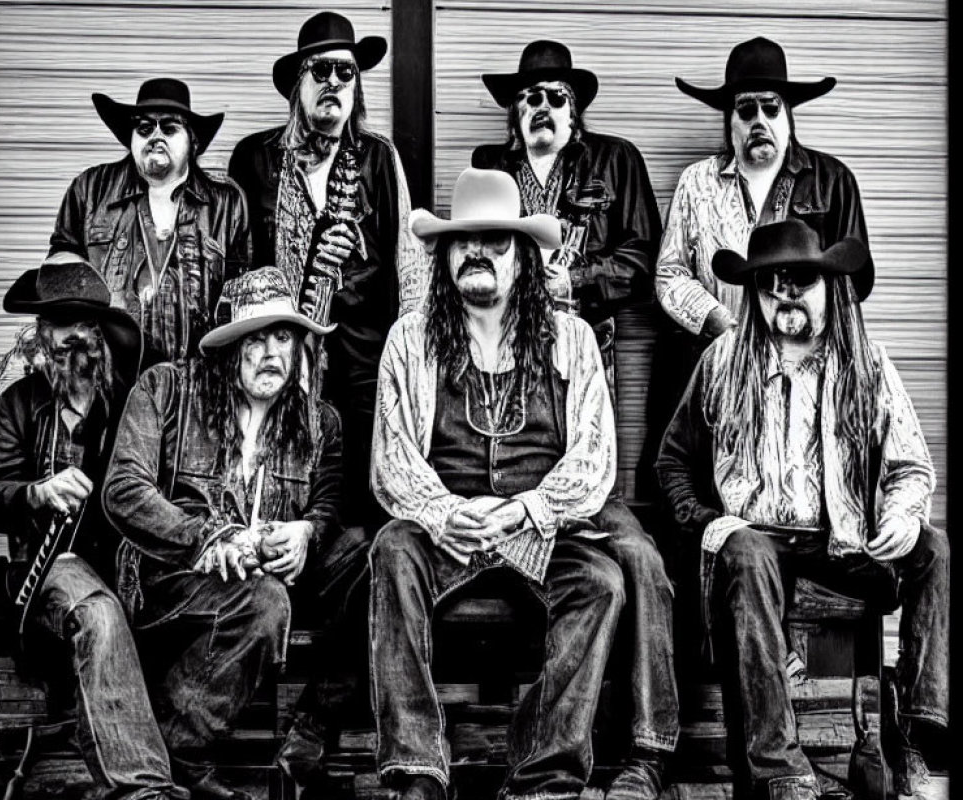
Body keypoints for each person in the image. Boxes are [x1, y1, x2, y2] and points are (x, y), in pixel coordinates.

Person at [368, 168, 678, 800]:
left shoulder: (573, 339)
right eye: (464, 241)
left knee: (601, 581)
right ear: (445, 254)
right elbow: (391, 457)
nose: (477, 251)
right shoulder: (410, 339)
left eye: (497, 240)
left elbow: (594, 459)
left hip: (540, 528)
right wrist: (442, 511)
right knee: (391, 551)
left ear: (526, 263)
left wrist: (527, 510)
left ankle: (544, 773)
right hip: (446, 533)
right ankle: (418, 769)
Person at [655, 219, 947, 800]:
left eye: (800, 280)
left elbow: (910, 468)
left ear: (829, 285)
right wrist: (709, 524)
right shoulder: (721, 361)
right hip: (754, 541)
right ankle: (779, 768)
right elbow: (672, 463)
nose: (783, 293)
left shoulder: (867, 363)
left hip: (840, 540)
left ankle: (918, 729)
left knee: (934, 548)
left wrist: (899, 513)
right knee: (748, 550)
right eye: (769, 284)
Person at [103, 267, 361, 800]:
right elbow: (123, 489)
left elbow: (329, 502)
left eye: (284, 337)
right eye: (256, 338)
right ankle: (183, 753)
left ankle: (311, 730)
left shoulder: (321, 422)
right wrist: (209, 538)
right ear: (229, 347)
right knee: (266, 604)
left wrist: (305, 532)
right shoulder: (166, 388)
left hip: (269, 578)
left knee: (372, 553)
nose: (272, 352)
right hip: (173, 578)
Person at [0, 253, 189, 799]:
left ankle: (172, 748)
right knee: (95, 609)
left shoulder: (129, 406)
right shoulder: (14, 407)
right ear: (42, 337)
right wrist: (36, 493)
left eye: (85, 327)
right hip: (47, 577)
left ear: (100, 335)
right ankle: (142, 789)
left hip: (128, 572)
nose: (76, 339)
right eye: (62, 326)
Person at [229, 11, 423, 533]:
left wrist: (410, 356)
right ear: (299, 85)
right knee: (279, 480)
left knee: (360, 492)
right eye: (321, 71)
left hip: (360, 356)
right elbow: (237, 261)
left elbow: (409, 265)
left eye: (346, 72)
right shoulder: (256, 159)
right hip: (278, 350)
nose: (334, 83)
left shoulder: (379, 158)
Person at [653, 37, 871, 414]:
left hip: (804, 374)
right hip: (715, 365)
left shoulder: (832, 179)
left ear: (788, 115)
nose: (759, 121)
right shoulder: (695, 181)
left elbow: (853, 282)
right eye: (746, 110)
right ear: (729, 120)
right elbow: (669, 273)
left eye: (771, 108)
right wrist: (720, 323)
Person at [472, 39, 661, 405]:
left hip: (586, 340)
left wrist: (573, 281)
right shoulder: (488, 166)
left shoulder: (616, 158)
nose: (542, 107)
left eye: (556, 98)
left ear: (574, 111)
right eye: (530, 98)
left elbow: (643, 259)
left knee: (589, 452)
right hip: (502, 343)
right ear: (514, 111)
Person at [49, 77, 251, 367]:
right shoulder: (90, 190)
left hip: (197, 382)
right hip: (110, 379)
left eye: (169, 128)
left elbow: (241, 301)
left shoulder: (226, 203)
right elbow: (59, 285)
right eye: (144, 129)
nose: (155, 136)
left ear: (193, 142)